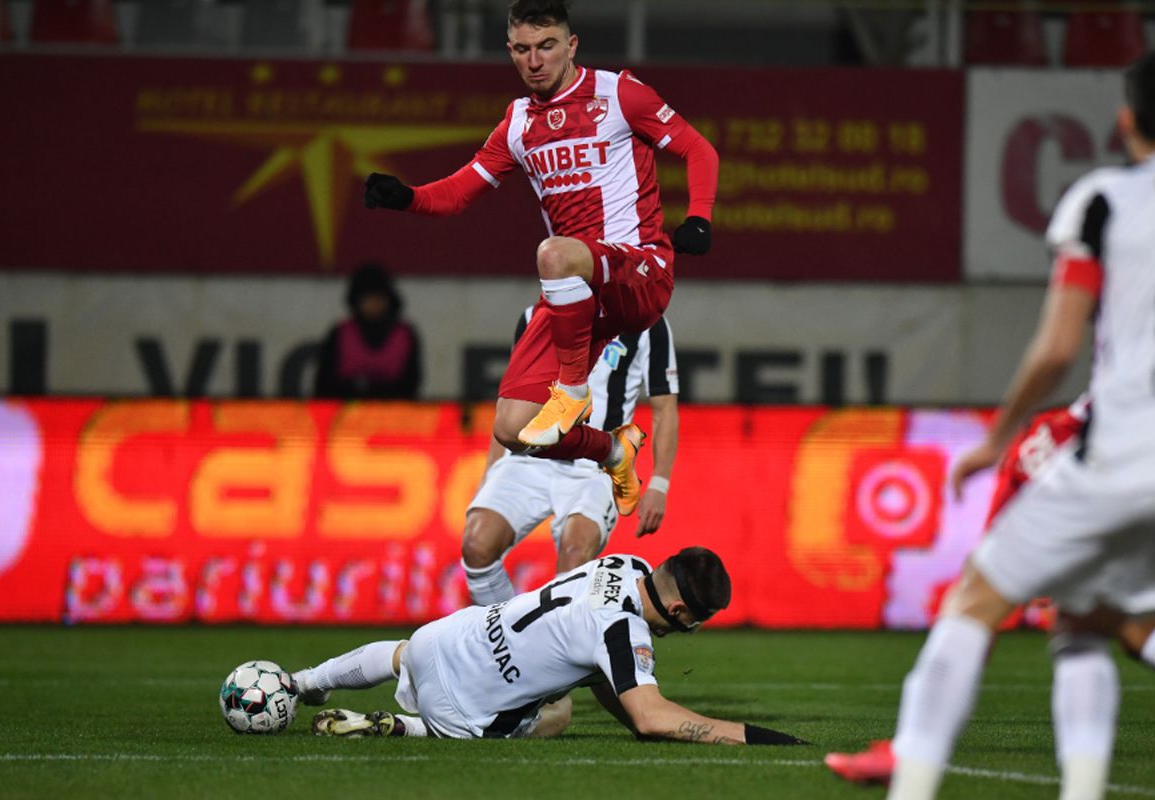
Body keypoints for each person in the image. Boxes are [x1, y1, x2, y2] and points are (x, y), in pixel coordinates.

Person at [826, 53, 1155, 800]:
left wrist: (998, 437)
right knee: (1088, 618)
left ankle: (911, 784)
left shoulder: (1100, 200)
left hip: (1121, 453)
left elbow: (1058, 347)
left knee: (973, 600)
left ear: (1125, 118)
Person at [362, 0, 718, 517]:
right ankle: (613, 449)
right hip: (579, 292)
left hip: (639, 272)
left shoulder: (618, 93)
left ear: (570, 46)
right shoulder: (517, 124)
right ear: (510, 52)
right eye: (523, 50)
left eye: (547, 46)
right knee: (512, 427)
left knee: (553, 254)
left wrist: (701, 218)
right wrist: (408, 197)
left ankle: (572, 392)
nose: (535, 60)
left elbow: (698, 149)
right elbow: (460, 192)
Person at [291, 547, 805, 745]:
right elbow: (651, 717)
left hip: (444, 639)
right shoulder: (624, 630)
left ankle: (306, 682)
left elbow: (603, 672)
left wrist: (629, 706)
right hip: (460, 713)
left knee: (407, 651)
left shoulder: (624, 564)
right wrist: (755, 737)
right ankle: (405, 727)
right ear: (680, 612)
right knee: (557, 716)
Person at [463, 309, 680, 605]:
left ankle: (554, 646)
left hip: (598, 464)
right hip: (529, 458)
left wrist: (660, 483)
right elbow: (511, 403)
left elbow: (665, 407)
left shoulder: (646, 323)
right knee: (477, 546)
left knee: (575, 557)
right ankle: (505, 641)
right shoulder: (533, 316)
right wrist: (490, 475)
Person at [314, 263, 422, 399]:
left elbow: (411, 384)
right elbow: (324, 384)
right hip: (344, 413)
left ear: (389, 300)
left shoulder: (405, 335)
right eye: (367, 299)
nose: (373, 304)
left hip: (393, 414)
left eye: (378, 298)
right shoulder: (339, 334)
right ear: (356, 301)